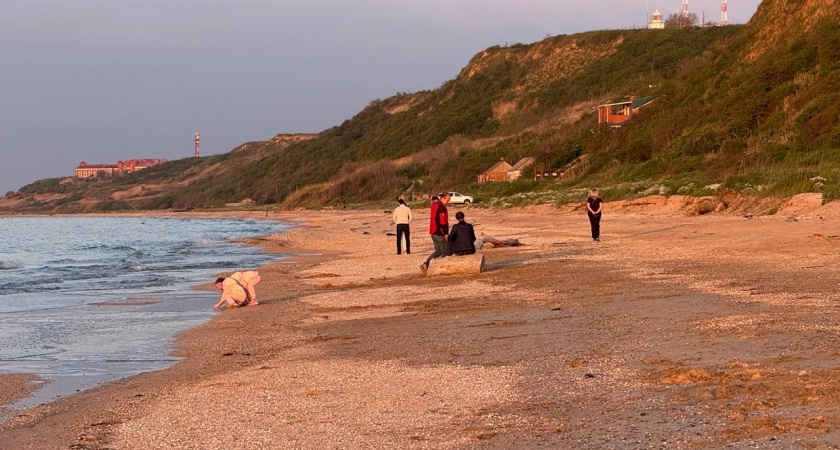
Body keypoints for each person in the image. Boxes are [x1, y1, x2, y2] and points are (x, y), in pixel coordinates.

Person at [421, 192, 450, 273]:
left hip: (433, 232)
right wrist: (446, 233)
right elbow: (443, 222)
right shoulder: (441, 208)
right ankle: (442, 268)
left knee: (438, 251)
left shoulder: (434, 205)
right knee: (444, 251)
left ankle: (426, 264)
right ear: (442, 198)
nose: (448, 202)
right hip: (439, 232)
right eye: (447, 201)